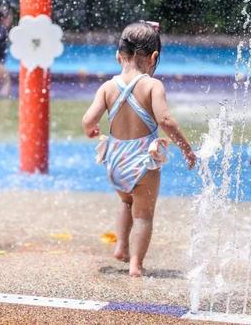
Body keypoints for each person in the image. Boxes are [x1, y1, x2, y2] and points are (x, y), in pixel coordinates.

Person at [82, 21, 196, 277]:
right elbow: (165, 120)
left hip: (115, 158)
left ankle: (121, 246)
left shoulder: (107, 87)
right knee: (143, 215)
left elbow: (89, 120)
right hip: (143, 159)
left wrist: (91, 131)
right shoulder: (152, 86)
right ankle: (136, 264)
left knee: (125, 203)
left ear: (118, 56)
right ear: (154, 57)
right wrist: (186, 149)